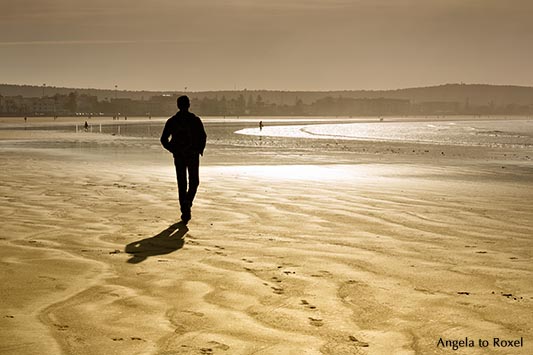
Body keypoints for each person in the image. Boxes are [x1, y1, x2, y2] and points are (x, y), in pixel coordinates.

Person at [161, 96, 207, 223]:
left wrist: (172, 149)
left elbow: (164, 140)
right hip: (190, 155)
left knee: (182, 184)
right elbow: (203, 137)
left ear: (178, 105)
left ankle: (185, 208)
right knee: (193, 182)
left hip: (181, 155)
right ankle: (187, 206)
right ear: (188, 105)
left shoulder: (173, 121)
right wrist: (198, 149)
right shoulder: (194, 120)